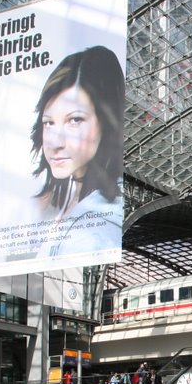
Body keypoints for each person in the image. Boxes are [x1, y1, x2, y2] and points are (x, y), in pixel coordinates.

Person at [31, 46, 124, 258]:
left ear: (107, 122)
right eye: (49, 123)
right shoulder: (59, 201)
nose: (56, 142)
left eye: (74, 120)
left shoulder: (99, 226)